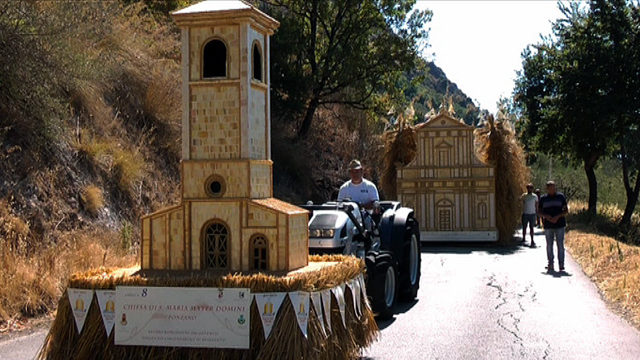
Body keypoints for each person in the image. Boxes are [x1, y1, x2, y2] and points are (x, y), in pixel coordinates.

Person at [538, 181, 569, 273]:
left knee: (560, 244)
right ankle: (550, 263)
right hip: (548, 225)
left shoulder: (561, 197)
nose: (553, 189)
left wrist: (558, 216)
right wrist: (546, 216)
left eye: (554, 187)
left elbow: (566, 210)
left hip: (560, 224)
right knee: (549, 245)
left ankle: (561, 264)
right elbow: (539, 212)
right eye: (550, 188)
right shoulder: (543, 199)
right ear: (547, 189)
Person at [521, 183, 538, 248]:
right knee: (524, 227)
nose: (529, 189)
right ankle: (524, 238)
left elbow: (536, 205)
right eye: (528, 188)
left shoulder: (535, 196)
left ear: (532, 189)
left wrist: (537, 214)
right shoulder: (524, 195)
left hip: (532, 214)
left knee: (531, 228)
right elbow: (520, 201)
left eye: (530, 188)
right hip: (525, 213)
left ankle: (532, 240)